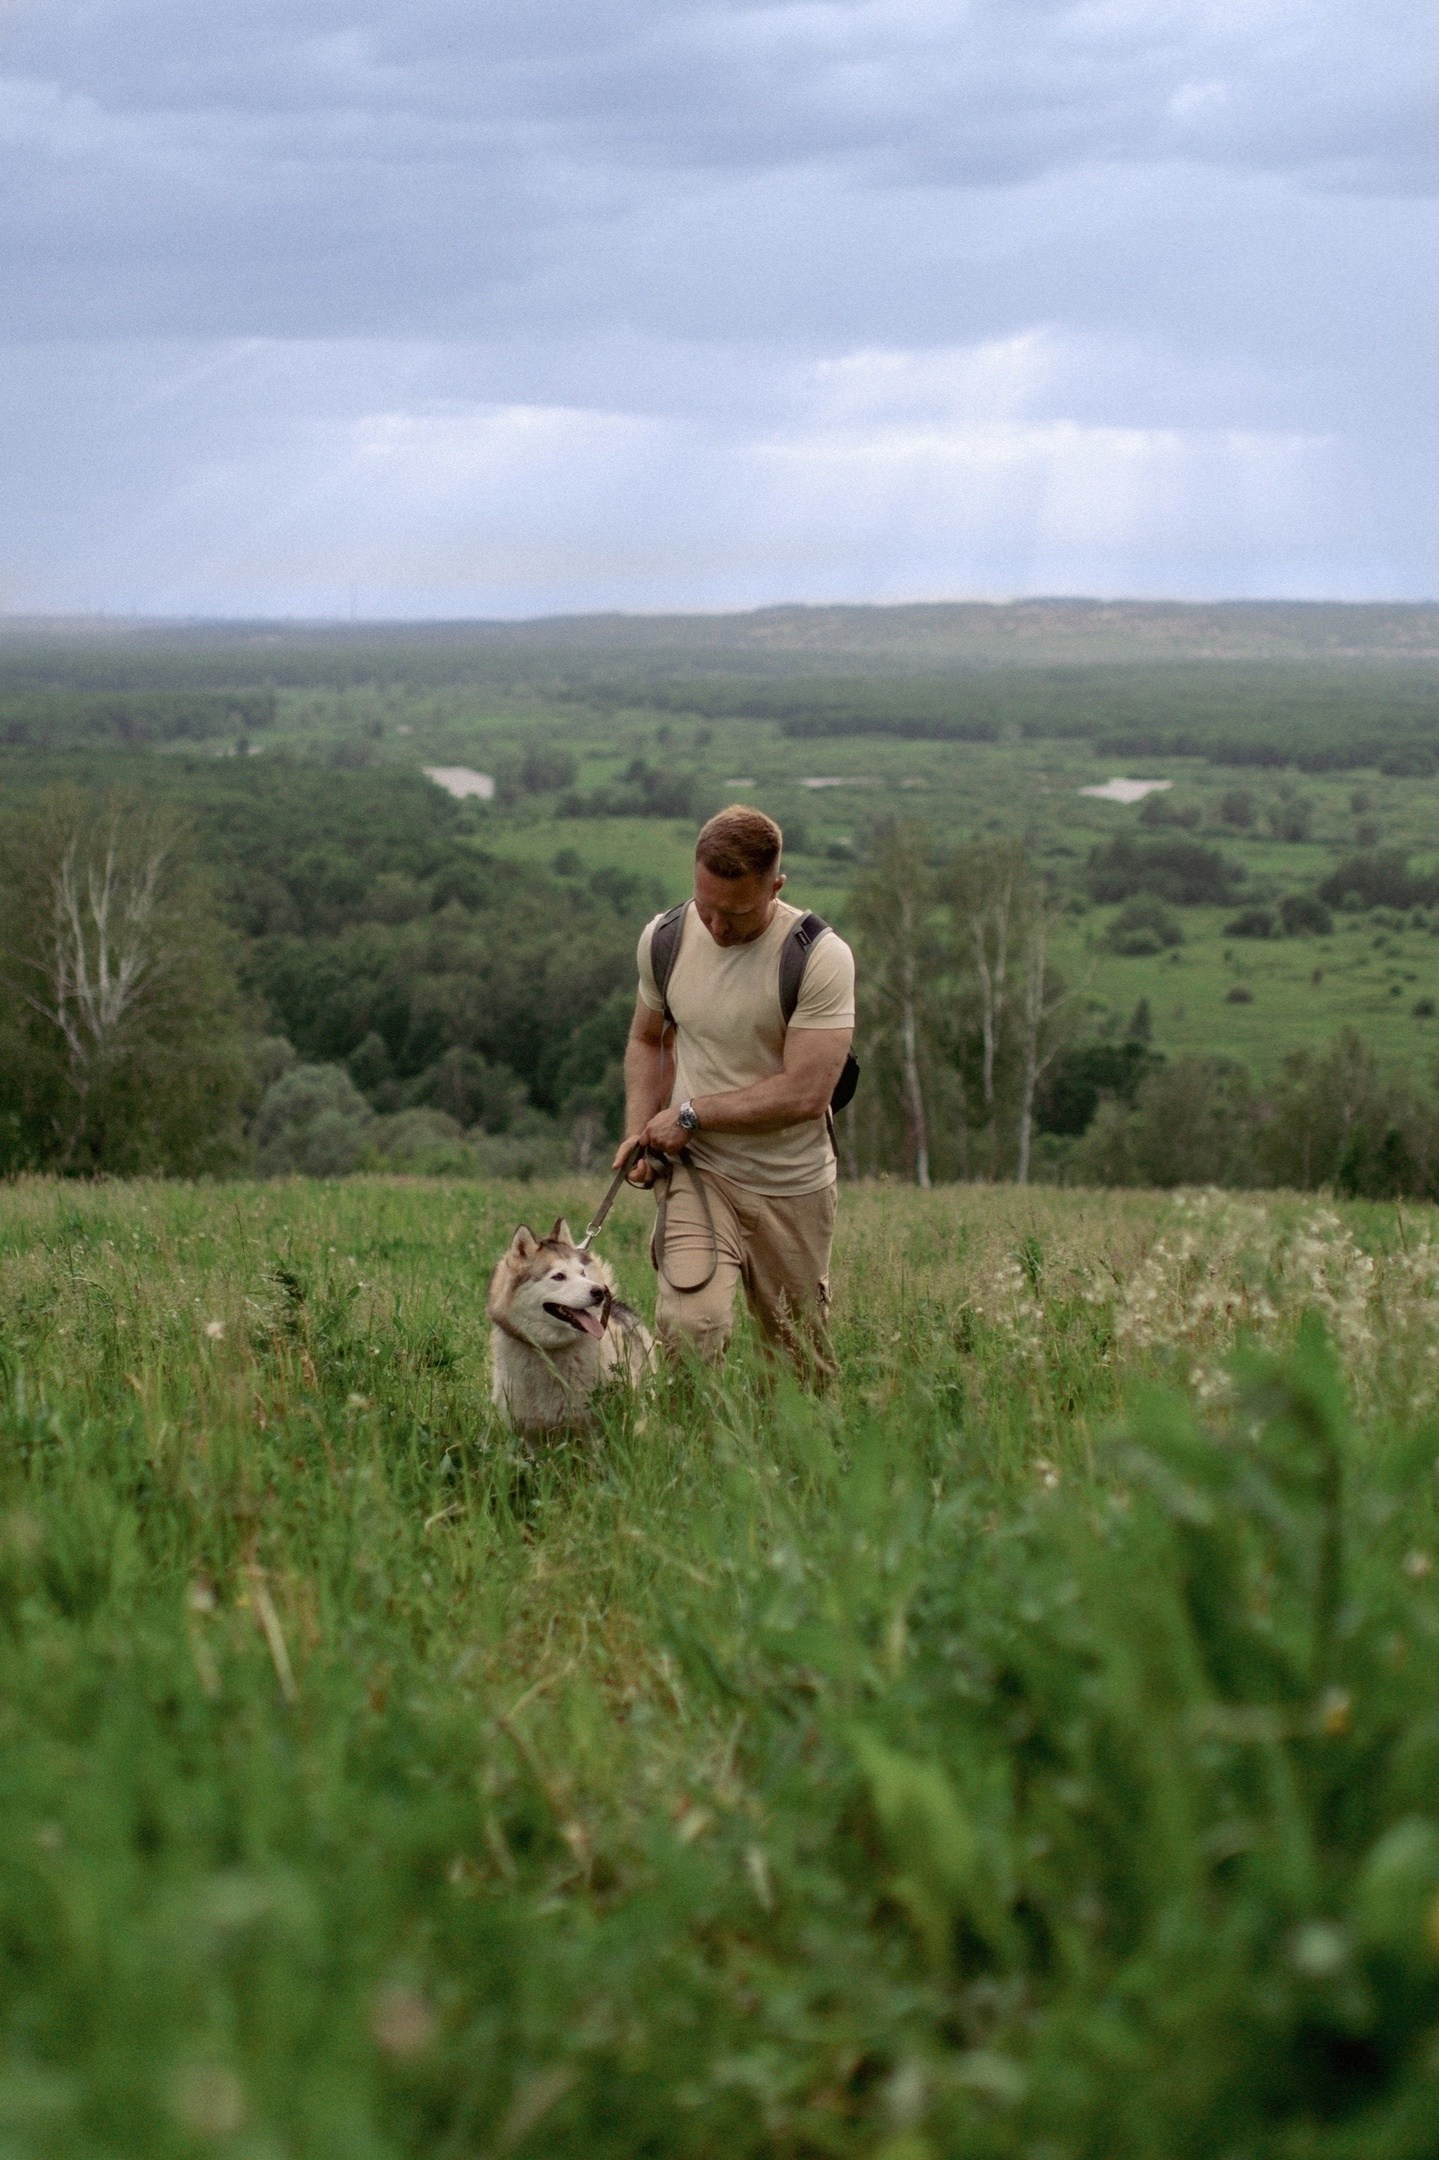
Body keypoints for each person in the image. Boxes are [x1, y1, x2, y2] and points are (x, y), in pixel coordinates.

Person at [613, 804, 856, 1382]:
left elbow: (806, 1093)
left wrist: (691, 1114)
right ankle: (685, 1464)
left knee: (798, 1363)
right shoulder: (665, 939)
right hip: (700, 1174)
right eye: (707, 906)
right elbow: (648, 1040)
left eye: (738, 912)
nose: (718, 928)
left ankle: (798, 1468)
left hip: (791, 1184)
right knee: (690, 1330)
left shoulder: (819, 958)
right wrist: (639, 1130)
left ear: (776, 886)